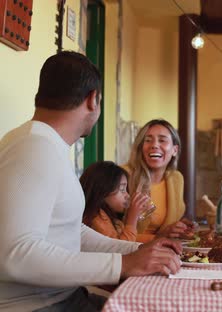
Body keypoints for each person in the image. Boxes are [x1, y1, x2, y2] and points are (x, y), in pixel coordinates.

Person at [0, 51, 181, 312]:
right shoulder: (33, 148)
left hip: (66, 298)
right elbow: (13, 254)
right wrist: (123, 265)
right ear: (93, 99)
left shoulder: (46, 145)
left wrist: (138, 249)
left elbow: (71, 231)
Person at [124, 119, 194, 243]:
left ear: (174, 150)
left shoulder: (176, 178)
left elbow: (167, 223)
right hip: (130, 253)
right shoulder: (123, 175)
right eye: (148, 140)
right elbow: (112, 233)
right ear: (141, 147)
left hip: (162, 250)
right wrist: (159, 237)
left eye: (162, 140)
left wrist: (181, 227)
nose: (154, 145)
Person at [80, 161, 151, 241]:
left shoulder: (109, 216)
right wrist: (132, 220)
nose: (127, 196)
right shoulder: (97, 218)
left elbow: (131, 238)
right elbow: (122, 248)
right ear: (102, 191)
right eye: (122, 190)